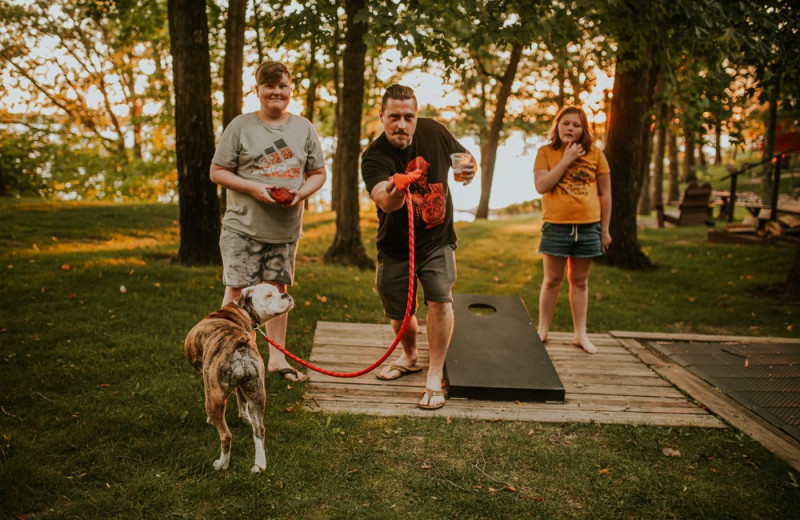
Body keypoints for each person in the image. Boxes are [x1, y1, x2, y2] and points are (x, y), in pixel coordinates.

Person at [361, 84, 477, 410]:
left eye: (408, 116)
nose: (401, 124)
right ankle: (410, 356)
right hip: (396, 245)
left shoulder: (435, 131)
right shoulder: (374, 156)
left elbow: (465, 160)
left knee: (440, 298)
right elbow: (384, 201)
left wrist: (470, 168)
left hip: (437, 238)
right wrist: (397, 184)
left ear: (416, 116)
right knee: (399, 312)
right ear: (382, 117)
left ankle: (434, 374)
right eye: (394, 117)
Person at [209, 61, 327, 382]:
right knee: (237, 293)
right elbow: (217, 172)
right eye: (269, 86)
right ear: (258, 90)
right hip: (242, 227)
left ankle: (277, 360)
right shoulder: (241, 126)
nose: (277, 92)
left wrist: (301, 194)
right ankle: (230, 358)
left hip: (285, 230)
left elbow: (318, 173)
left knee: (277, 290)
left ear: (290, 90)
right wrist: (254, 188)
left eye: (283, 86)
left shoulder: (303, 128)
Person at [533, 105, 611, 354]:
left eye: (576, 125)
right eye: (566, 123)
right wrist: (566, 160)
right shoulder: (545, 152)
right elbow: (542, 185)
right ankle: (542, 330)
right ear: (557, 125)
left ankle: (580, 335)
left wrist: (605, 230)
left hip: (589, 227)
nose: (571, 128)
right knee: (552, 280)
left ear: (583, 130)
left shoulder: (596, 154)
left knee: (580, 282)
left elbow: (605, 195)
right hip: (556, 226)